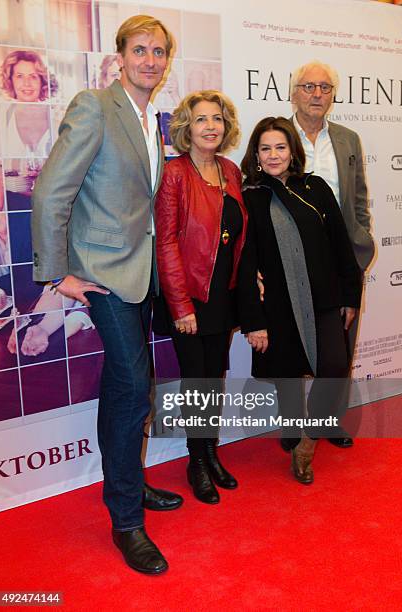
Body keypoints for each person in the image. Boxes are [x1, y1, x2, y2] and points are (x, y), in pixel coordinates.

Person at [31, 15, 183, 576]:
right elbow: (51, 191)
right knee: (133, 386)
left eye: (159, 52)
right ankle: (126, 521)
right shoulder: (97, 106)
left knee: (123, 388)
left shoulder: (151, 119)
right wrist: (55, 274)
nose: (150, 60)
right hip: (102, 274)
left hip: (138, 273)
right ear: (120, 56)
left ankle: (130, 483)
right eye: (139, 50)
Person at [238, 116, 362, 485]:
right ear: (256, 154)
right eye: (265, 148)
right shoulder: (250, 197)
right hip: (278, 302)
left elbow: (341, 244)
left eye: (280, 146)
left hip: (324, 296)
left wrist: (350, 295)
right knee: (287, 374)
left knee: (335, 367)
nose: (273, 155)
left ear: (292, 151)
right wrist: (253, 317)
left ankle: (306, 443)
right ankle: (291, 431)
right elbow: (245, 262)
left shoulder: (316, 187)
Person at [155, 90, 247, 504]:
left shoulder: (230, 170)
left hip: (222, 295)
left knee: (214, 378)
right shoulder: (175, 173)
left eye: (217, 119)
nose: (210, 126)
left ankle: (210, 451)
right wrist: (181, 305)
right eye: (201, 119)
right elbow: (167, 244)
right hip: (190, 296)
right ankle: (196, 460)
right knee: (197, 382)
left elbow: (234, 236)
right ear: (185, 128)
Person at [289, 60, 375, 449]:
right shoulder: (277, 135)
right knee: (291, 344)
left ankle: (327, 419)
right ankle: (292, 426)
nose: (317, 95)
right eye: (309, 87)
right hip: (293, 258)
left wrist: (361, 239)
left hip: (342, 259)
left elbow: (357, 197)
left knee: (340, 347)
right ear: (294, 92)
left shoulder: (348, 139)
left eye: (324, 88)